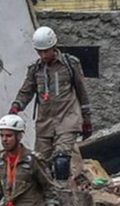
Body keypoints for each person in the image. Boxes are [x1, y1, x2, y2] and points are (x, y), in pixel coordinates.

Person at [9, 26, 91, 182]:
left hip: (67, 119)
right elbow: (26, 91)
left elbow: (82, 91)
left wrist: (87, 119)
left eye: (46, 51)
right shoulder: (35, 70)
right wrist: (16, 107)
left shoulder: (70, 64)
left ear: (54, 47)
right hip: (45, 124)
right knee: (40, 165)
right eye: (39, 52)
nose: (43, 55)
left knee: (61, 160)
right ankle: (47, 201)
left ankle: (64, 196)